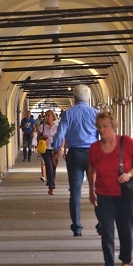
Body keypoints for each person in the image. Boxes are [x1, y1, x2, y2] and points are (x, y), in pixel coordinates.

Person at [88, 111, 133, 266]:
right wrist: (91, 191)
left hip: (124, 194)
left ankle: (126, 263)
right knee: (106, 230)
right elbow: (91, 170)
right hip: (103, 194)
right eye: (99, 127)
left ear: (114, 127)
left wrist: (129, 174)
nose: (102, 130)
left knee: (125, 229)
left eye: (105, 126)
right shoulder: (94, 149)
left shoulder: (126, 142)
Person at [51, 84, 99, 236]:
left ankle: (77, 227)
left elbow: (60, 133)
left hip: (75, 154)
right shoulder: (96, 113)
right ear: (89, 97)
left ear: (74, 98)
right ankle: (102, 224)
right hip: (94, 153)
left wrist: (56, 150)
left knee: (75, 191)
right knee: (99, 189)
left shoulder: (69, 113)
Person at [39, 109, 59, 195]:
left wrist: (61, 148)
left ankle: (50, 183)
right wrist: (43, 138)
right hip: (45, 149)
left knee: (53, 167)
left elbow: (62, 138)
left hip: (55, 149)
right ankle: (51, 187)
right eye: (46, 116)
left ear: (53, 117)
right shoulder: (42, 126)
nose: (47, 117)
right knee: (49, 166)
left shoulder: (57, 126)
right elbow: (38, 138)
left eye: (48, 116)